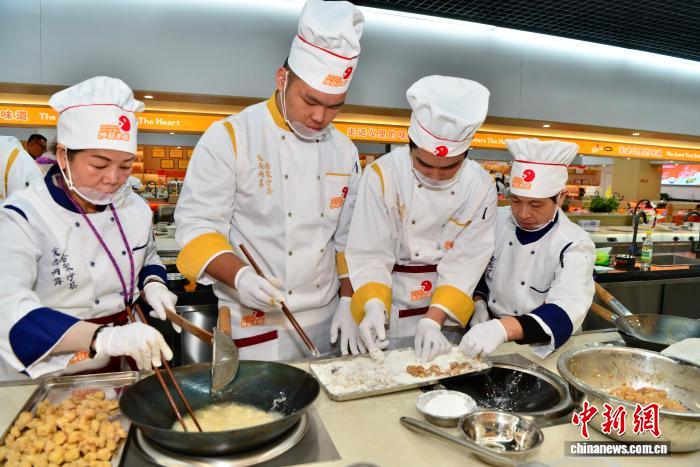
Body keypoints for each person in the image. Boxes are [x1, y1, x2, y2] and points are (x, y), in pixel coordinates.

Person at [175, 0, 364, 360]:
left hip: (324, 318)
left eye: (334, 106)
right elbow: (197, 227)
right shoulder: (231, 137)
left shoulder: (344, 151)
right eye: (310, 100)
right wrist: (241, 277)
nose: (320, 116)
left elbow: (346, 240)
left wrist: (348, 298)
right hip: (251, 318)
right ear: (282, 79)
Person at [0, 76, 178, 380]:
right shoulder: (23, 216)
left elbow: (147, 257)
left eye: (125, 165)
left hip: (125, 359)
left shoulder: (134, 208)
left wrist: (154, 284)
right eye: (99, 165)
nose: (113, 178)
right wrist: (103, 338)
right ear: (63, 156)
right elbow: (8, 308)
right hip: (50, 365)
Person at [344, 75, 497, 361]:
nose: (435, 176)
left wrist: (433, 320)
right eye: (424, 164)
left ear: (465, 156)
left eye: (449, 168)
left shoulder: (480, 187)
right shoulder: (382, 175)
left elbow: (466, 260)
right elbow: (370, 251)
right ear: (410, 146)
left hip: (445, 302)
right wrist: (373, 305)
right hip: (389, 295)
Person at [460, 138, 595, 359]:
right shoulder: (495, 220)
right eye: (515, 201)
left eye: (535, 204)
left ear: (560, 197)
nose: (523, 213)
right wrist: (479, 304)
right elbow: (478, 270)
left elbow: (565, 309)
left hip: (539, 345)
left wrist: (500, 329)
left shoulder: (574, 243)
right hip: (488, 336)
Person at [0, 136, 43, 202]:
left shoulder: (28, 164)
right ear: (31, 144)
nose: (43, 151)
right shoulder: (20, 160)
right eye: (42, 147)